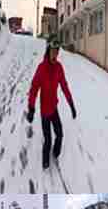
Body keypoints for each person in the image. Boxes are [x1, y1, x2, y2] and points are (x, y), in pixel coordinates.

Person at [26, 38, 76, 170]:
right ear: (48, 51)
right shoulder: (41, 68)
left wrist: (71, 104)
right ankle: (45, 161)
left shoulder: (59, 68)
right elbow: (34, 88)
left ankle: (56, 152)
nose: (55, 54)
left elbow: (64, 86)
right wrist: (31, 108)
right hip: (44, 112)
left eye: (57, 51)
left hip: (54, 109)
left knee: (60, 134)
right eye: (53, 51)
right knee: (47, 140)